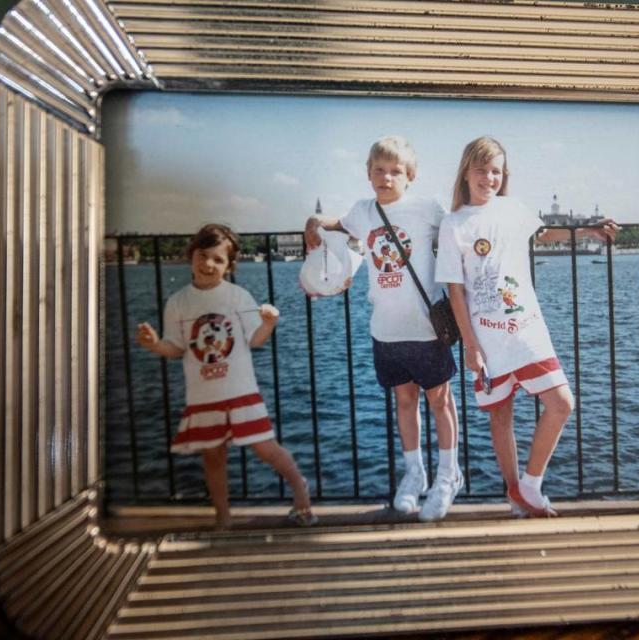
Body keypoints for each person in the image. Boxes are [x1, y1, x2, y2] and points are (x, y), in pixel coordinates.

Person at [435, 136, 618, 517]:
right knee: (501, 415)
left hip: (527, 330)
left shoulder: (513, 209)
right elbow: (455, 293)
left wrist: (587, 229)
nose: (489, 177)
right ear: (466, 173)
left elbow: (546, 234)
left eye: (496, 171)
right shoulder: (453, 224)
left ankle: (531, 485)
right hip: (486, 339)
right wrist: (470, 345)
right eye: (482, 170)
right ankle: (515, 494)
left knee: (561, 403)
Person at [304, 136, 462, 522]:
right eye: (379, 170)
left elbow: (463, 233)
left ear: (410, 176)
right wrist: (313, 221)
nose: (386, 177)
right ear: (368, 173)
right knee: (404, 402)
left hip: (425, 328)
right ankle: (414, 474)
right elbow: (337, 224)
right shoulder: (364, 211)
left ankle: (448, 474)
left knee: (439, 401)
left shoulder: (427, 208)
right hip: (386, 330)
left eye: (395, 171)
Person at [136, 223, 315, 529]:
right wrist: (154, 345)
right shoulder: (178, 301)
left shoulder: (237, 296)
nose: (208, 264)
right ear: (191, 255)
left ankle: (300, 489)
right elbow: (176, 347)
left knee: (266, 449)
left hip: (240, 391)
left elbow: (254, 340)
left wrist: (268, 324)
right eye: (203, 255)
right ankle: (223, 516)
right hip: (203, 395)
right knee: (213, 457)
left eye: (218, 260)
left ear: (229, 267)